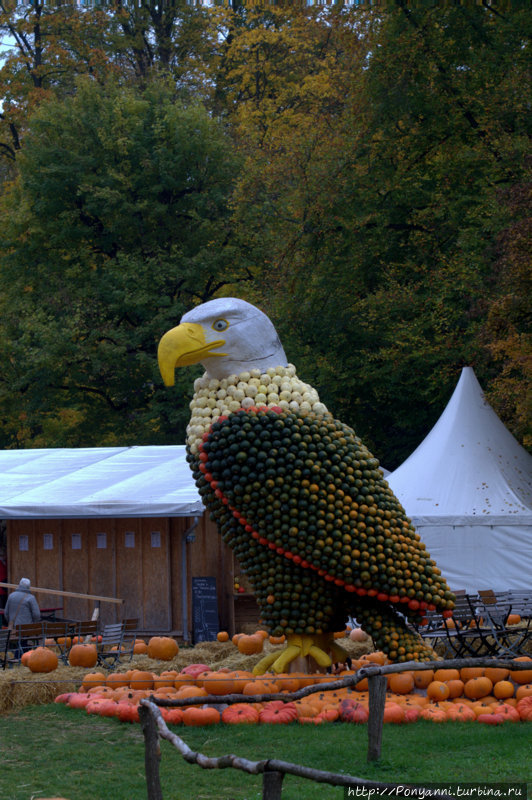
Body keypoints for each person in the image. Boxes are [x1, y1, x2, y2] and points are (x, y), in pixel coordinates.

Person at [4, 578, 41, 658]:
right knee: (25, 643)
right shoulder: (31, 598)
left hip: (13, 628)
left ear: (19, 585)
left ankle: (19, 657)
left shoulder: (11, 596)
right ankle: (19, 658)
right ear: (29, 587)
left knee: (19, 643)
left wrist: (11, 622)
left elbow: (6, 613)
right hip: (26, 629)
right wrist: (33, 624)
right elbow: (37, 615)